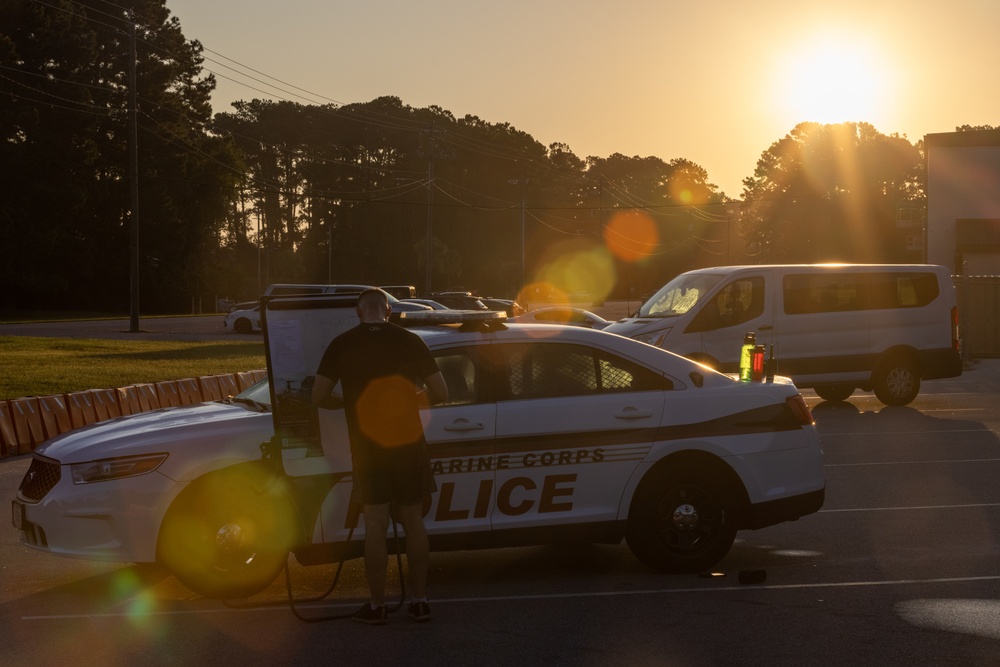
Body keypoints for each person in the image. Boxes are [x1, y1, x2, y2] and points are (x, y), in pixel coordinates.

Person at [311, 288, 448, 625]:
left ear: (358, 313)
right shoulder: (410, 340)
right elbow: (442, 392)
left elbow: (317, 397)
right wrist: (413, 398)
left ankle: (377, 606)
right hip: (408, 446)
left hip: (368, 448)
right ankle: (419, 602)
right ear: (388, 311)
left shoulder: (342, 343)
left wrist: (347, 403)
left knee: (375, 526)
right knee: (413, 522)